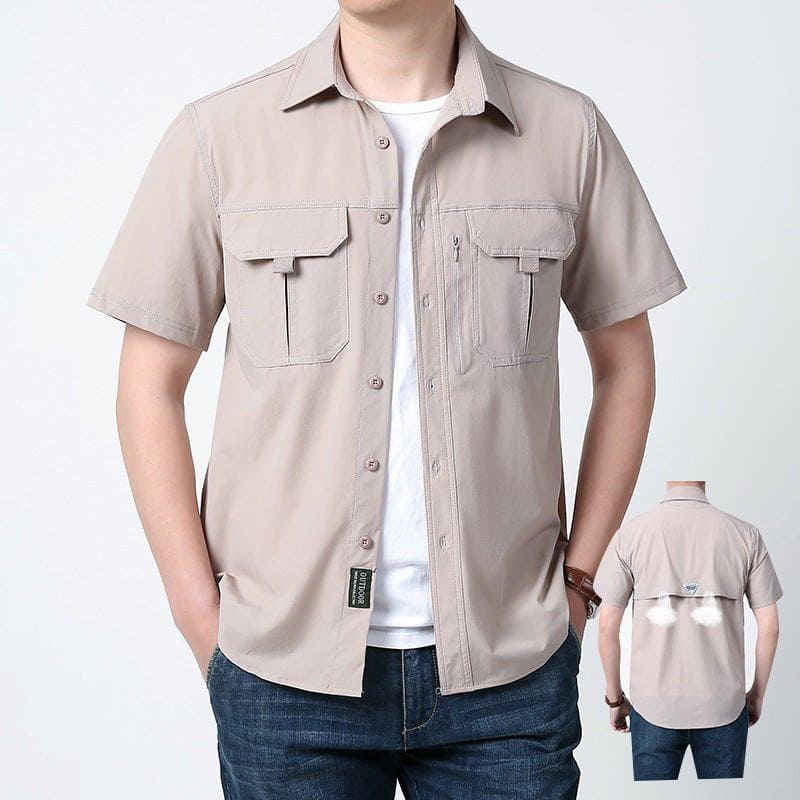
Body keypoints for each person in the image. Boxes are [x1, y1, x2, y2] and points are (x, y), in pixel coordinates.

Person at [88, 1, 685, 797]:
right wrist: (199, 614)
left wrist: (578, 584)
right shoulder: (220, 136)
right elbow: (148, 384)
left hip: (507, 676)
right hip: (285, 678)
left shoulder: (566, 133)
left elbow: (626, 364)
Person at [595, 481, 782, 781]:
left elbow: (607, 626)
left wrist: (615, 700)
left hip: (653, 706)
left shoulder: (631, 535)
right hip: (724, 707)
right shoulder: (745, 535)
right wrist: (756, 696)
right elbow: (770, 627)